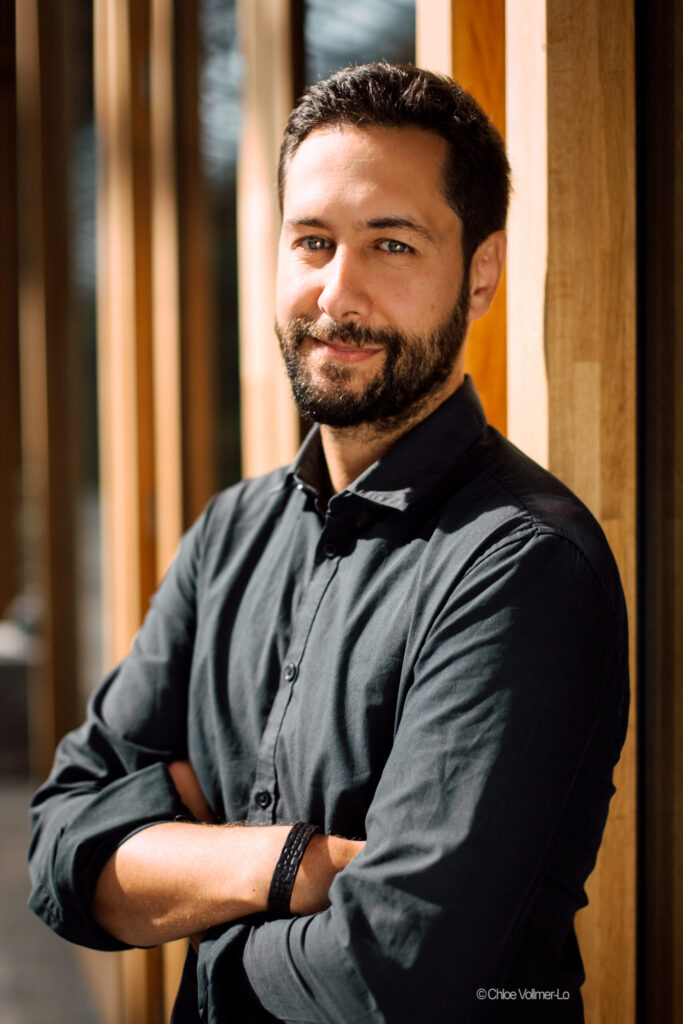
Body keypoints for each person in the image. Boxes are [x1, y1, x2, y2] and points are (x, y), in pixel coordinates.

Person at [29, 62, 629, 1023]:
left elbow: (393, 977)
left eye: (391, 244)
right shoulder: (232, 533)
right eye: (313, 241)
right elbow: (63, 843)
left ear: (479, 274)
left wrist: (193, 879)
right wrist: (299, 864)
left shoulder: (520, 565)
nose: (336, 294)